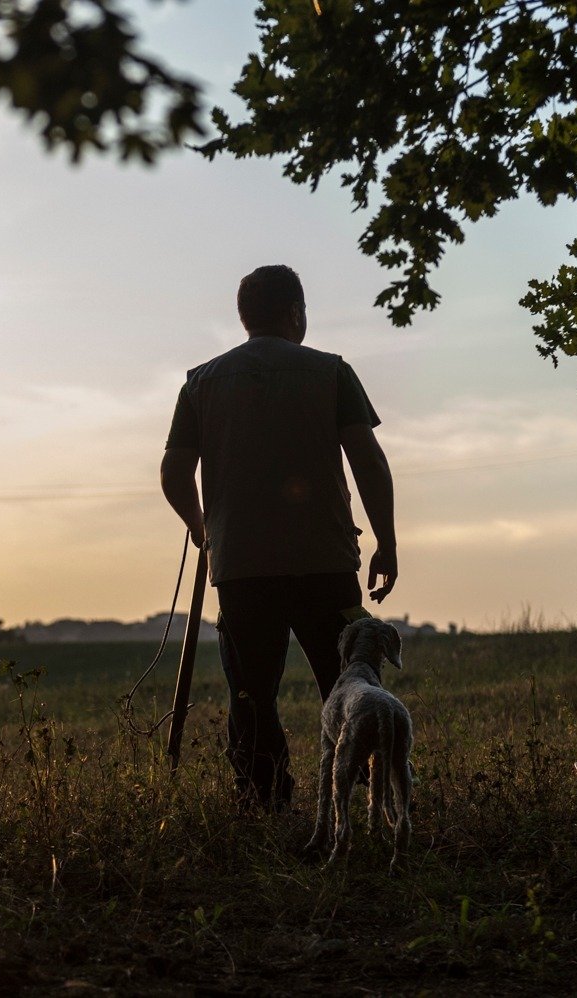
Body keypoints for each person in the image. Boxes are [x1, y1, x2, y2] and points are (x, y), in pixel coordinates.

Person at [160, 264, 397, 811]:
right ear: (296, 314)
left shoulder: (201, 382)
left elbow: (173, 475)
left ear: (245, 318)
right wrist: (386, 541)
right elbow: (369, 461)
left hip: (242, 566)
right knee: (349, 683)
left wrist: (204, 531)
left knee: (252, 693)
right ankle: (365, 795)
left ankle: (263, 799)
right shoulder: (331, 372)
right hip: (326, 559)